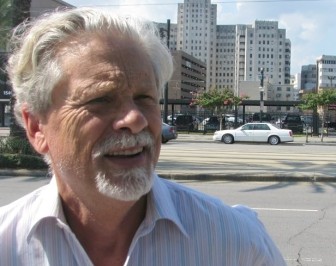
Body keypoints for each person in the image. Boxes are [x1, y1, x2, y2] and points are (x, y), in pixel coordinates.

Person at [0, 7, 286, 265]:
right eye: (100, 99)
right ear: (37, 127)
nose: (135, 119)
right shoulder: (7, 244)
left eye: (144, 98)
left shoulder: (235, 243)